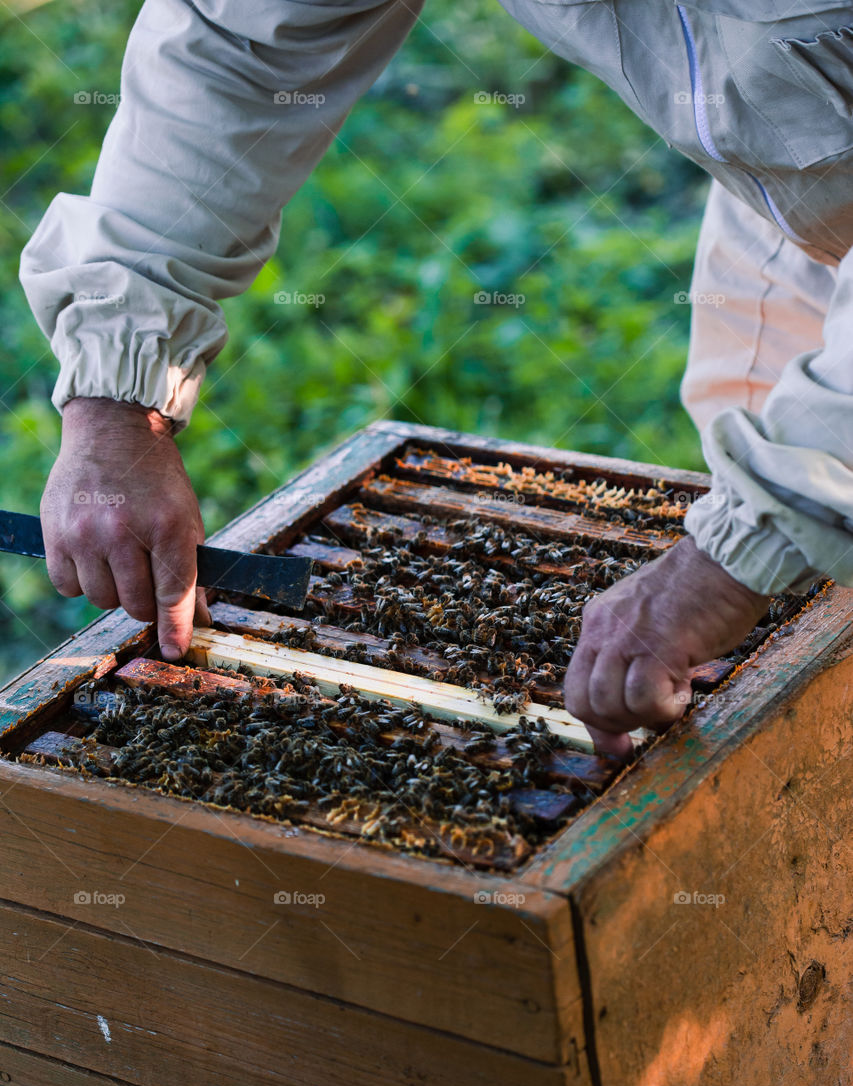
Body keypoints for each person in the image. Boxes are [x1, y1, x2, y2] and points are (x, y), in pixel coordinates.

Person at [19, 0, 853, 756]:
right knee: (790, 624)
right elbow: (238, 45)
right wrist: (114, 399)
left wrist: (733, 554)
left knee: (791, 554)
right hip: (785, 182)